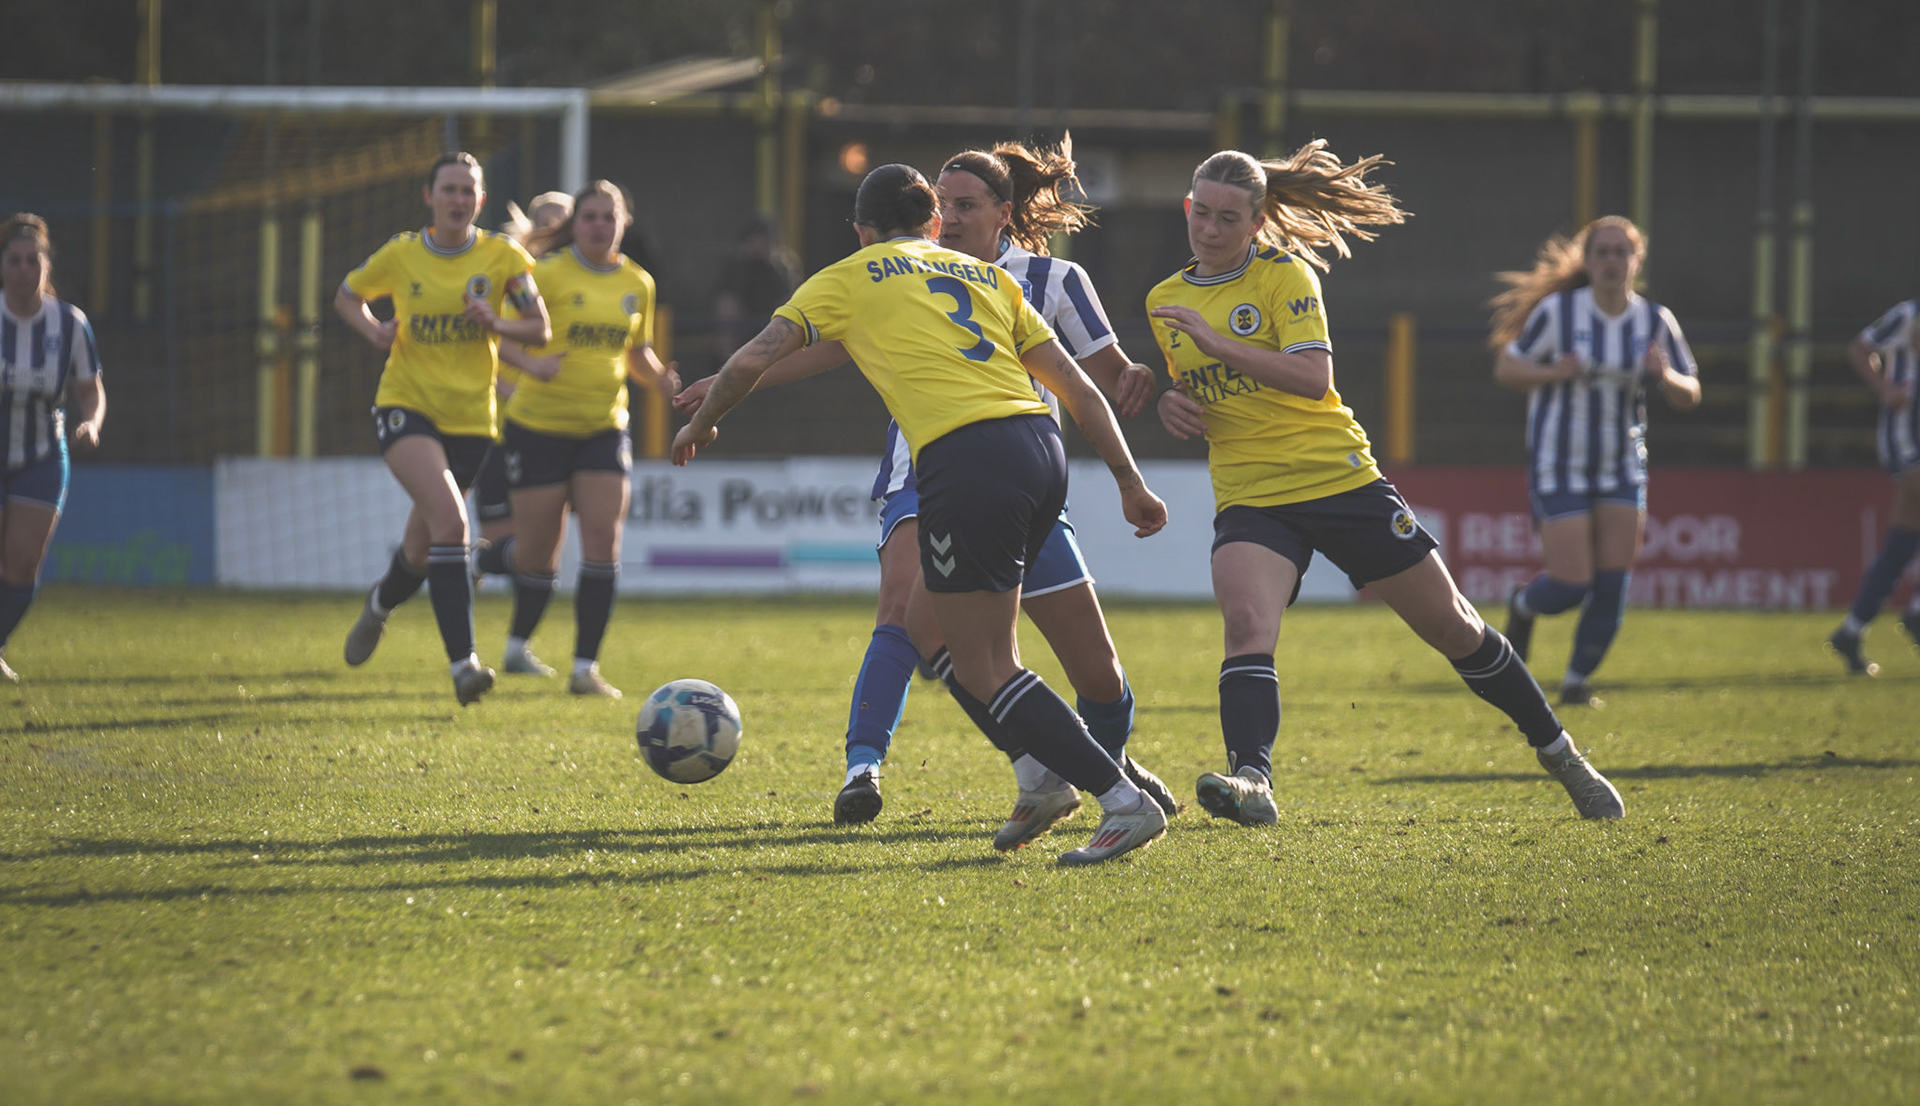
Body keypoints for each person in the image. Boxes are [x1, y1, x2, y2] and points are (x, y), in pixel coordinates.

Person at [673, 139, 1178, 843]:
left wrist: (702, 421)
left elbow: (756, 355)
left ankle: (1117, 796)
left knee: (985, 665)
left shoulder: (857, 275)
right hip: (1040, 451)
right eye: (948, 206)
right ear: (932, 221)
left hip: (966, 459)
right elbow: (1080, 389)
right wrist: (1129, 480)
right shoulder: (988, 281)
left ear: (861, 231)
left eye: (969, 204)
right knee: (927, 625)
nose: (956, 217)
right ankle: (1030, 778)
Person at [1150, 143, 1626, 824]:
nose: (1211, 229)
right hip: (1252, 493)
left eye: (1229, 218)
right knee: (1247, 624)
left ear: (1257, 223)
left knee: (1455, 628)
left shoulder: (1285, 276)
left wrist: (1218, 342)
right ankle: (1252, 779)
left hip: (1338, 481)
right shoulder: (1165, 299)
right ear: (1187, 207)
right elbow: (1200, 388)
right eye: (1202, 213)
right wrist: (1173, 404)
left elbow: (1313, 378)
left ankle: (1562, 755)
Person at [335, 152, 549, 705]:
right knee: (453, 524)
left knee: (421, 548)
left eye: (468, 190)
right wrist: (374, 331)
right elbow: (347, 295)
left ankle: (379, 605)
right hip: (405, 405)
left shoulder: (503, 258)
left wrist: (494, 321)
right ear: (428, 196)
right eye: (448, 189)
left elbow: (539, 328)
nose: (458, 199)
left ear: (481, 200)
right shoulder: (402, 254)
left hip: (472, 421)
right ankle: (463, 666)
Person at [1489, 216, 1701, 706]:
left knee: (1612, 585)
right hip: (1558, 464)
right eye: (1601, 252)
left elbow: (1691, 392)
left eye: (1620, 252)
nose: (1611, 261)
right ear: (1586, 261)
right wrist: (1552, 372)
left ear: (1637, 260)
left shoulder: (1655, 320)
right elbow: (1507, 368)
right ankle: (1524, 604)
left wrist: (1665, 376)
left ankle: (1576, 682)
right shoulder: (1559, 313)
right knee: (1571, 584)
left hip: (1622, 467)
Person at [487, 180, 679, 697]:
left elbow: (636, 353)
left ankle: (584, 669)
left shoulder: (638, 282)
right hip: (538, 427)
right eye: (589, 217)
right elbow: (499, 336)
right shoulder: (545, 273)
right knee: (536, 553)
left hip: (604, 427)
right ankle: (480, 561)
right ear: (576, 225)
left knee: (602, 541)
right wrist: (532, 365)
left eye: (608, 217)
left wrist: (659, 379)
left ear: (623, 223)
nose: (599, 226)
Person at [0, 215, 104, 683]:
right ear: (2, 266)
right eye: (14, 260)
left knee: (22, 563)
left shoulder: (70, 323)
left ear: (46, 266)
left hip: (42, 455)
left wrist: (92, 422)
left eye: (33, 260)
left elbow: (90, 391)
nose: (24, 270)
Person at [474, 191, 577, 583]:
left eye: (563, 224)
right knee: (499, 540)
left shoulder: (587, 284)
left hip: (557, 429)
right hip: (503, 430)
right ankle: (470, 578)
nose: (556, 232)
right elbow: (485, 341)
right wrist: (506, 388)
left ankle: (521, 621)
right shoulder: (515, 283)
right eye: (547, 223)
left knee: (541, 544)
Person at [1827, 297, 1920, 675]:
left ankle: (1851, 630)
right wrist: (1886, 390)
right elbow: (1859, 348)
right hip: (1908, 438)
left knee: (1902, 541)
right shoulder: (1909, 314)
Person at [711, 214, 801, 360]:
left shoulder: (783, 265)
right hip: (743, 321)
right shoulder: (736, 265)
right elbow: (727, 292)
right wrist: (746, 262)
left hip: (772, 318)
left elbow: (789, 294)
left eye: (764, 240)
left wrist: (770, 263)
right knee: (727, 306)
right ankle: (726, 362)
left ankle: (783, 363)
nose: (759, 245)